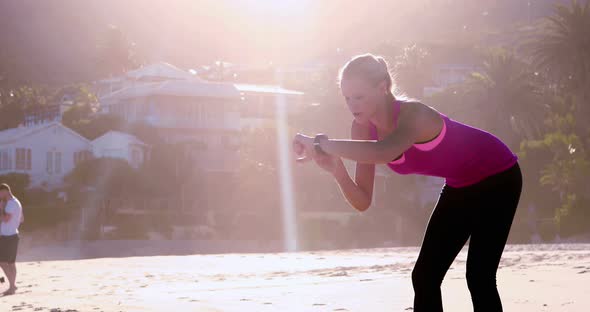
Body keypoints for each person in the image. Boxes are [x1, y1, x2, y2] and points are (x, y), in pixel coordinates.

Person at [293, 54, 522, 312]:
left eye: (359, 96)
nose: (352, 105)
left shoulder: (414, 115)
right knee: (424, 277)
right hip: (461, 185)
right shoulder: (362, 129)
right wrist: (337, 171)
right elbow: (362, 201)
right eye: (347, 98)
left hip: (499, 176)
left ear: (382, 88)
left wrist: (320, 144)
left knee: (479, 277)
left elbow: (384, 152)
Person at [0, 183, 23, 296]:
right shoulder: (16, 202)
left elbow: (5, 219)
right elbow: (22, 219)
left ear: (5, 191)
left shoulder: (10, 203)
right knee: (10, 263)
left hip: (8, 237)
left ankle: (12, 286)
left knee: (3, 262)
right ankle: (12, 285)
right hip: (12, 235)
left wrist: (1, 208)